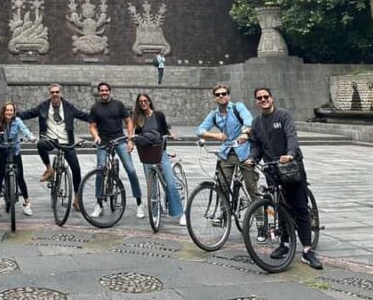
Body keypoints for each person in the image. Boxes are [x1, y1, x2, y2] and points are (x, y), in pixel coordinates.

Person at [245, 87, 323, 270]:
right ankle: (285, 243)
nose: (263, 100)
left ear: (272, 98)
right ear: (256, 101)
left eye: (266, 97)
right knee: (279, 207)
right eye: (259, 98)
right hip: (272, 170)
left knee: (300, 208)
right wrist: (252, 158)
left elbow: (291, 137)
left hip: (291, 167)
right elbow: (256, 146)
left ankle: (307, 250)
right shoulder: (256, 124)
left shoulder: (283, 116)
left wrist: (289, 153)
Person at [195, 83, 261, 235]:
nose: (221, 96)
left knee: (252, 188)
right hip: (227, 153)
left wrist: (245, 133)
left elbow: (249, 121)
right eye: (218, 95)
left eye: (224, 93)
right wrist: (215, 135)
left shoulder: (238, 107)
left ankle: (261, 223)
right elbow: (199, 130)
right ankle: (224, 214)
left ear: (228, 96)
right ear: (215, 98)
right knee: (223, 185)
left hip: (244, 151)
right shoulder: (214, 114)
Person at [18, 84, 90, 211]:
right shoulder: (43, 106)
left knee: (76, 169)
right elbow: (28, 113)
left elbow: (84, 116)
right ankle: (49, 169)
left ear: (60, 93)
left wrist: (99, 119)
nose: (55, 94)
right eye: (52, 92)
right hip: (50, 139)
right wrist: (12, 114)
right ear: (50, 94)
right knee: (40, 144)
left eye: (57, 92)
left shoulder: (69, 107)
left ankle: (77, 198)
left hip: (67, 142)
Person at [89, 82, 144, 218]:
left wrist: (130, 138)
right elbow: (92, 126)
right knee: (100, 170)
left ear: (110, 91)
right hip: (103, 141)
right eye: (101, 91)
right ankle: (99, 204)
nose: (104, 92)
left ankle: (139, 203)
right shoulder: (95, 108)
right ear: (99, 92)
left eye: (106, 90)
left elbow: (129, 121)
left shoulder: (118, 105)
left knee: (130, 170)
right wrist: (95, 136)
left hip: (119, 140)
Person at [132, 92, 186, 225]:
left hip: (160, 152)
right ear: (138, 104)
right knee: (152, 186)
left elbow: (165, 130)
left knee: (170, 183)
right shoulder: (138, 119)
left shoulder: (158, 115)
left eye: (145, 100)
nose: (143, 103)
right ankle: (155, 212)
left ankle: (180, 213)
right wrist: (131, 140)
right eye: (140, 101)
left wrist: (171, 134)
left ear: (149, 101)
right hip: (146, 154)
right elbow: (135, 134)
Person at [0, 101, 36, 218]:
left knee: (20, 177)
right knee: (0, 177)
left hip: (15, 151)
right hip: (2, 151)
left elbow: (24, 129)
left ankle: (26, 203)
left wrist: (31, 137)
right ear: (3, 111)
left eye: (11, 110)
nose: (9, 112)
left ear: (14, 112)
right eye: (7, 110)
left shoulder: (17, 121)